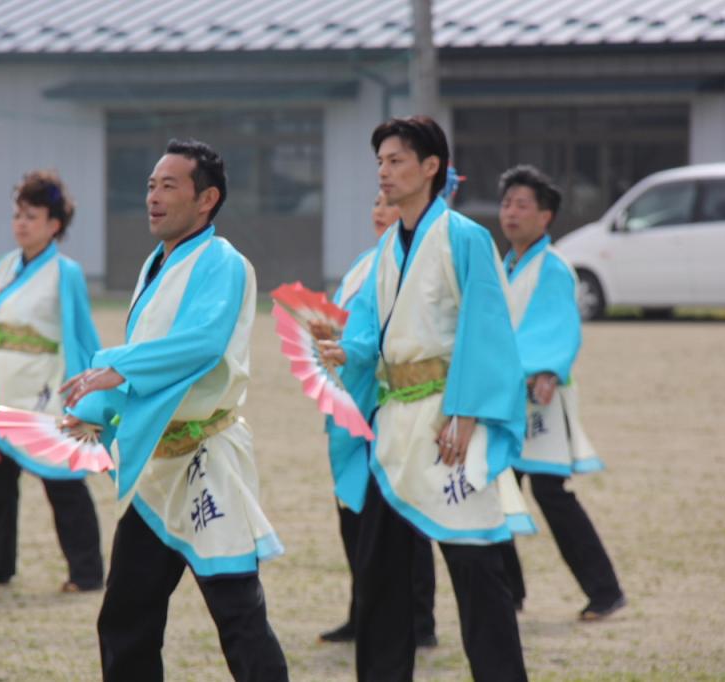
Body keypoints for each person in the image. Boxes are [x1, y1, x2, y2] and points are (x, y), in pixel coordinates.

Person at [61, 138, 288, 682]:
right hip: (157, 470)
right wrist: (97, 407)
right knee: (125, 617)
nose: (153, 197)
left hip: (208, 461)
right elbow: (149, 362)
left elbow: (202, 343)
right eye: (150, 186)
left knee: (238, 616)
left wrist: (116, 366)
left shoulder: (223, 263)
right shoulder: (157, 264)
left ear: (207, 198)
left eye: (169, 186)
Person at [319, 116, 528, 681]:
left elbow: (486, 329)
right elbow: (369, 330)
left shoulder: (464, 237)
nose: (384, 172)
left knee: (476, 566)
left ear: (431, 167)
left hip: (448, 422)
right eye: (380, 162)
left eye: (396, 161)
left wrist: (465, 413)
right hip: (394, 427)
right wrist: (347, 351)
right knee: (380, 573)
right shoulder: (387, 247)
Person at [495, 164, 626, 621]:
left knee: (551, 494)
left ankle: (605, 590)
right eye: (507, 203)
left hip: (540, 398)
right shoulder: (505, 265)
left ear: (545, 216)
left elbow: (556, 328)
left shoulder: (553, 267)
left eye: (522, 205)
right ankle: (508, 593)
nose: (511, 213)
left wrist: (545, 370)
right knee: (497, 491)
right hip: (507, 398)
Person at [317, 190, 437, 647]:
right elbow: (347, 323)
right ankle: (363, 610)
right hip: (349, 401)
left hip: (387, 404)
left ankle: (420, 620)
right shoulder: (363, 264)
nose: (379, 210)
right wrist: (328, 335)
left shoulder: (417, 264)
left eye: (388, 201)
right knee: (353, 512)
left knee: (402, 514)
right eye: (375, 202)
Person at [0, 170, 104, 593]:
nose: (21, 223)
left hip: (44, 388)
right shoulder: (4, 267)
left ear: (54, 224)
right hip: (1, 385)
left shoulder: (66, 272)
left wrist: (84, 395)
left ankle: (86, 572)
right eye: (17, 214)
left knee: (63, 481)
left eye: (32, 216)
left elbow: (80, 333)